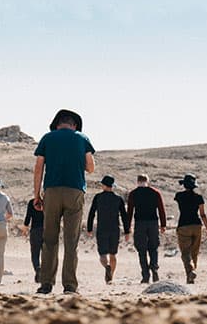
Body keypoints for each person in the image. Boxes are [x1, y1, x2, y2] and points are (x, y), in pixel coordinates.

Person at [32, 109, 95, 294]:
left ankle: (46, 284)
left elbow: (38, 168)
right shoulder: (82, 138)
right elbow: (90, 167)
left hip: (52, 190)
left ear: (57, 124)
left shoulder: (47, 138)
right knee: (71, 240)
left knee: (49, 239)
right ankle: (69, 285)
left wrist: (37, 195)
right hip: (74, 191)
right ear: (74, 125)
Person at [86, 175, 129, 284]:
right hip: (115, 229)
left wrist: (89, 228)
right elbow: (124, 216)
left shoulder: (98, 197)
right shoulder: (118, 199)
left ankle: (106, 267)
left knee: (102, 254)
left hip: (102, 228)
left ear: (104, 185)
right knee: (113, 254)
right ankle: (111, 277)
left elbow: (92, 213)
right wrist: (127, 231)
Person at [126, 174, 167, 283]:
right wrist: (163, 224)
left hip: (140, 223)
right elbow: (161, 209)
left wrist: (128, 227)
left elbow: (129, 212)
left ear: (137, 181)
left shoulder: (133, 194)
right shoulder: (155, 193)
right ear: (147, 181)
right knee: (153, 247)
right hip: (153, 223)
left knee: (141, 249)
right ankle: (154, 268)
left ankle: (145, 275)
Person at [174, 173, 207, 284]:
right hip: (197, 225)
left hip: (183, 225)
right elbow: (203, 214)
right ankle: (191, 275)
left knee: (185, 253)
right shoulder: (199, 198)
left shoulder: (179, 196)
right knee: (194, 252)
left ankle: (190, 272)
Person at [22, 196, 44, 283]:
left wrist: (25, 229)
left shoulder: (32, 202)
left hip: (35, 230)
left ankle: (38, 269)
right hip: (47, 230)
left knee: (35, 253)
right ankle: (45, 272)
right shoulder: (49, 201)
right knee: (46, 253)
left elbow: (28, 217)